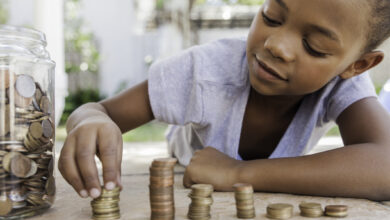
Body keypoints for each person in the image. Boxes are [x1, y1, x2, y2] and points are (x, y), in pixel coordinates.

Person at [59, 0, 390, 201]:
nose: (277, 45)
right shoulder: (203, 72)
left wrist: (237, 173)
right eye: (272, 16)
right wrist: (91, 121)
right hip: (188, 153)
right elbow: (97, 110)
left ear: (356, 65)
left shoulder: (343, 84)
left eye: (314, 46)